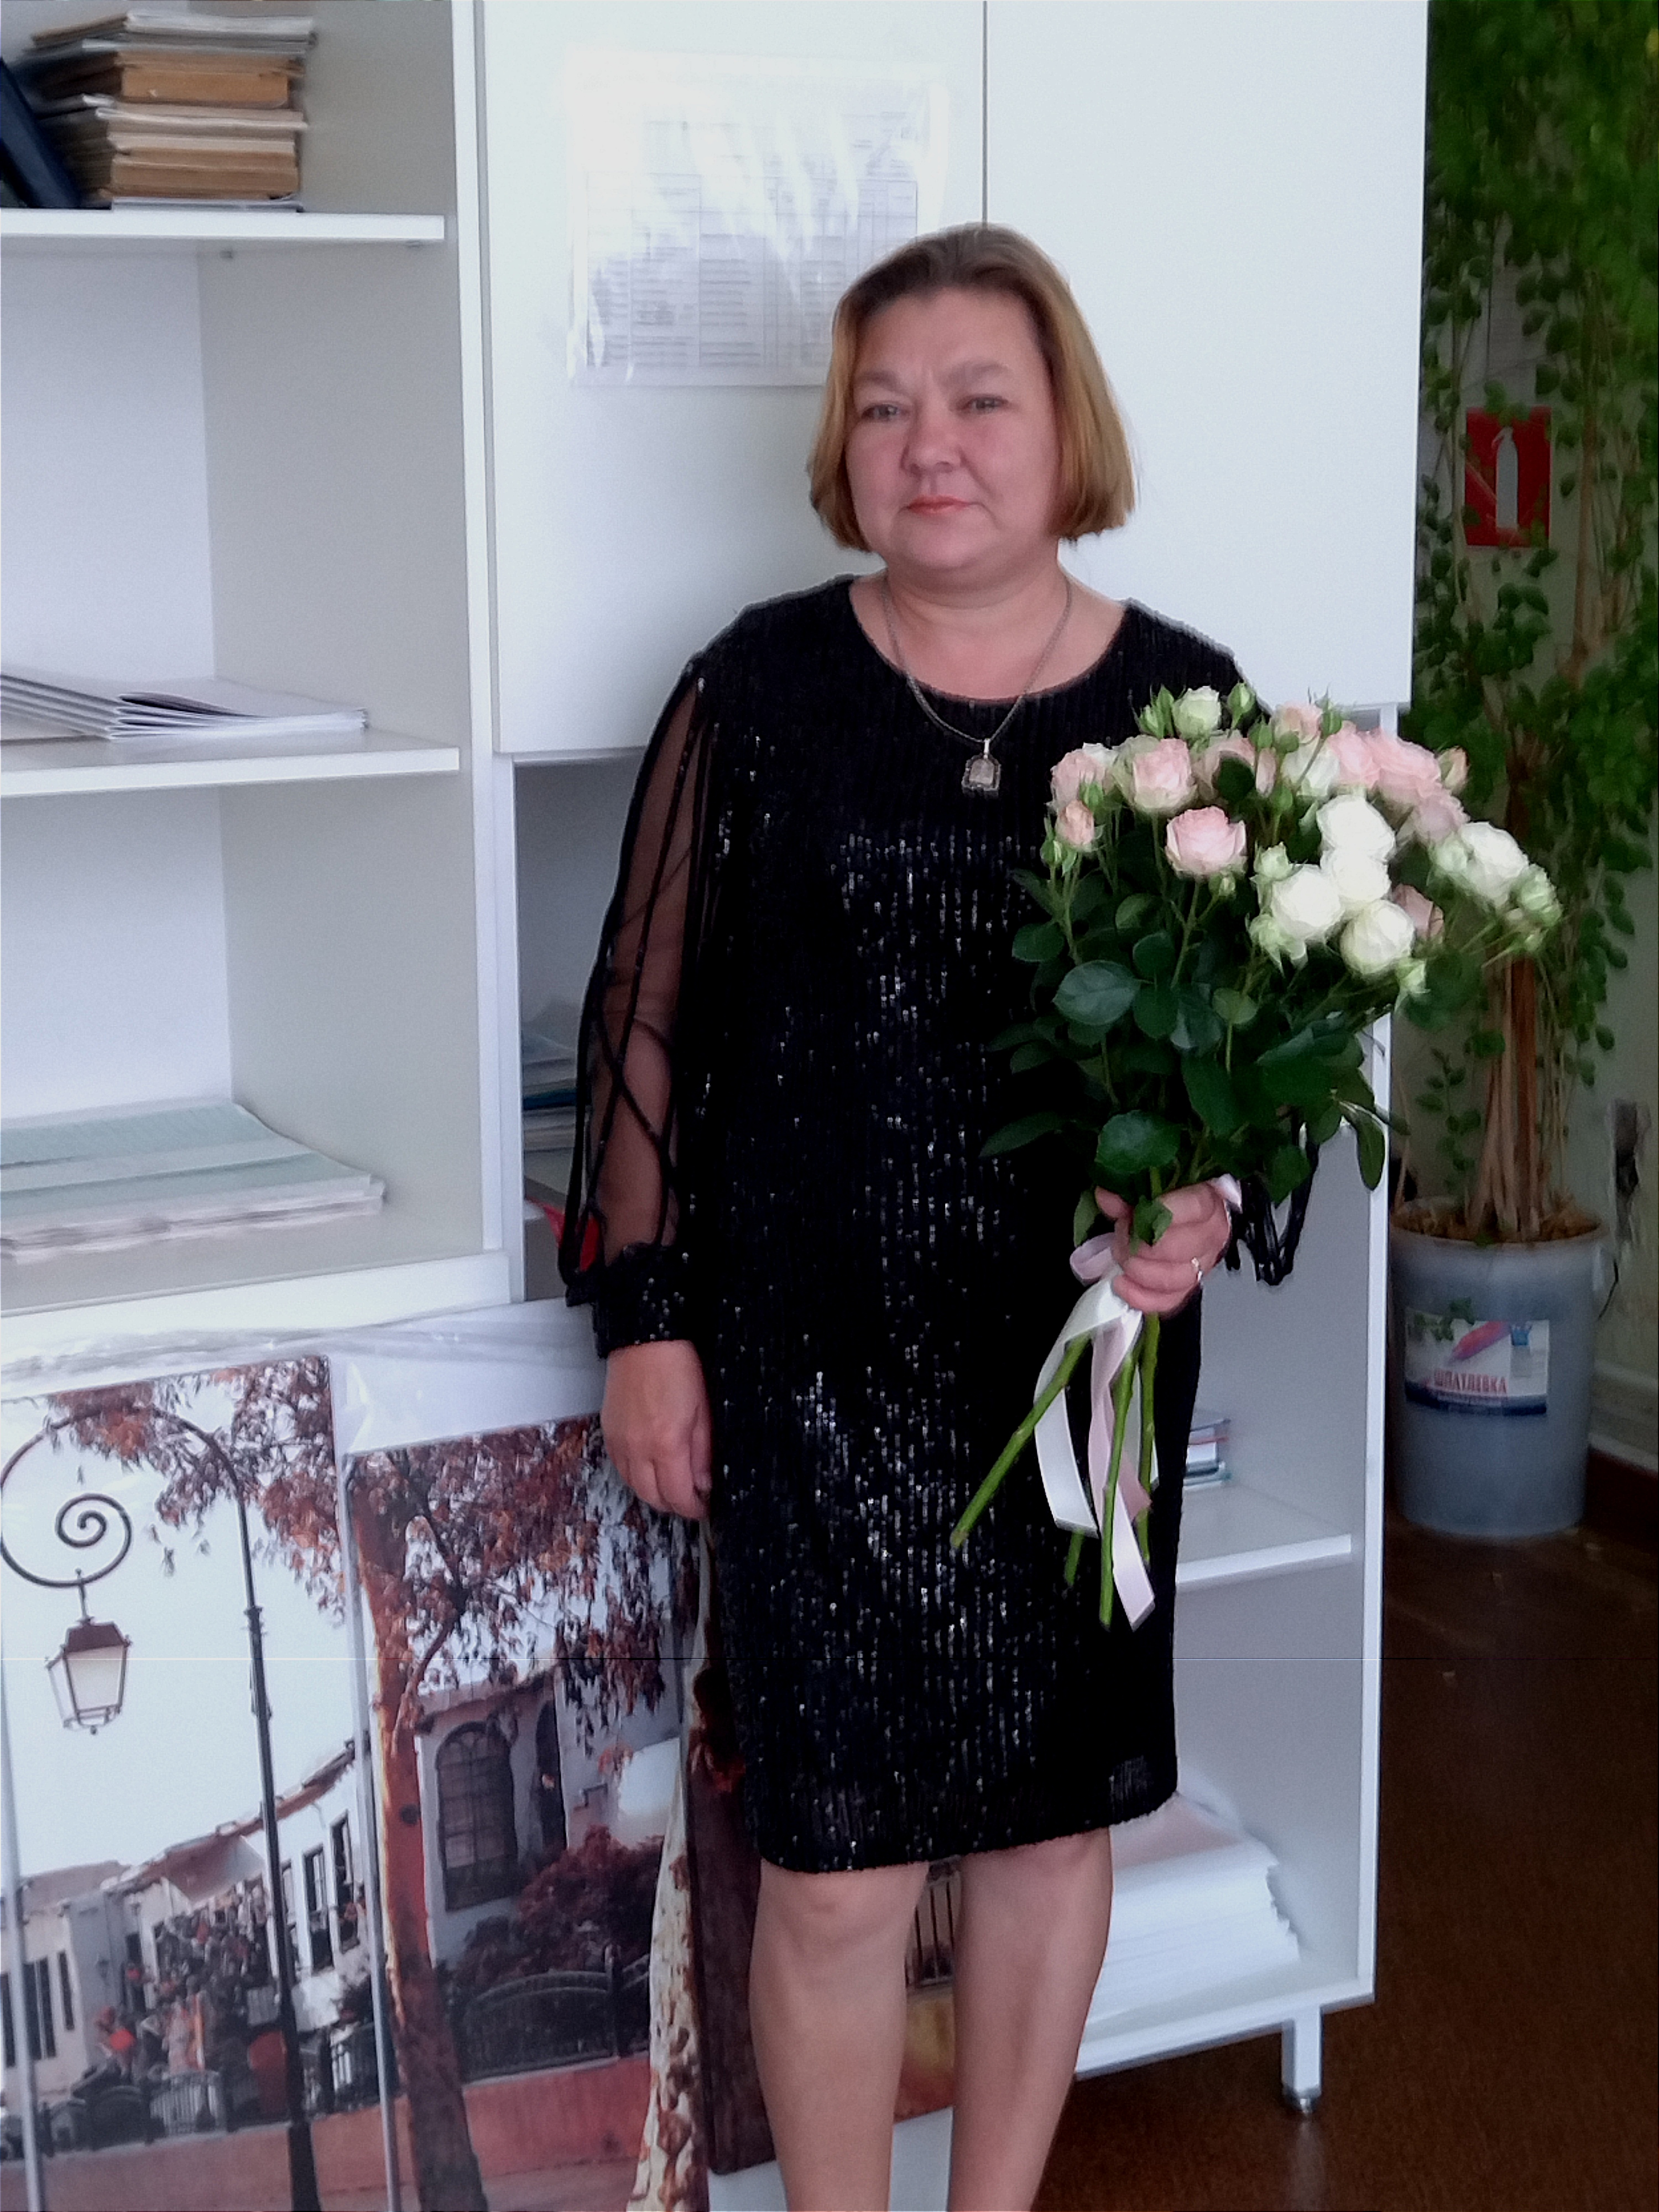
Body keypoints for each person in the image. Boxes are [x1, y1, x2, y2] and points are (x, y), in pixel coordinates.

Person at [562, 225, 1240, 2212]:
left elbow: (1238, 1052)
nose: (927, 444)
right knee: (840, 1867)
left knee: (1045, 1829)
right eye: (883, 408)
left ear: (1065, 429)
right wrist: (645, 1321)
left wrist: (1210, 1201)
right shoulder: (758, 687)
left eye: (977, 400)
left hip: (1073, 1378)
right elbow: (640, 1019)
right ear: (842, 450)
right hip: (811, 1371)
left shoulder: (1187, 708)